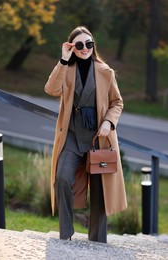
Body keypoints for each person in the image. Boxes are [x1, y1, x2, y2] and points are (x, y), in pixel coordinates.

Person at [44, 26, 127, 243]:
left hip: (97, 139)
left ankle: (98, 241)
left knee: (100, 190)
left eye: (89, 44)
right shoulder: (67, 69)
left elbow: (117, 102)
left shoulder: (105, 72)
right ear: (72, 46)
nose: (85, 48)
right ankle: (65, 235)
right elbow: (51, 90)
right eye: (79, 44)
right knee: (62, 177)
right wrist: (63, 60)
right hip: (71, 136)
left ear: (93, 45)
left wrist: (109, 122)